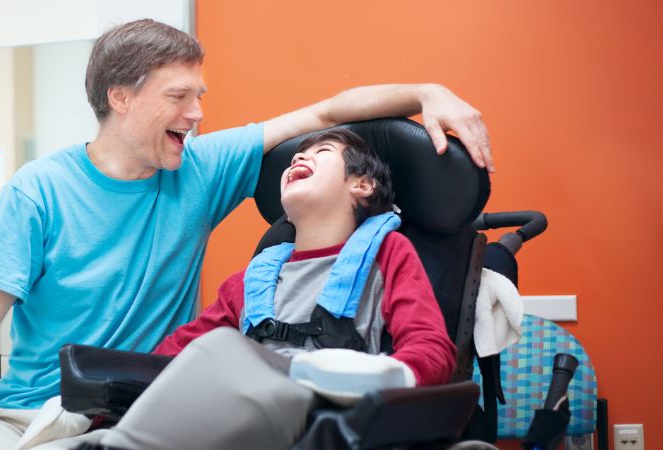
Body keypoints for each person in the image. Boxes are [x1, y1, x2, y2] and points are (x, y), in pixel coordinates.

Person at [0, 18, 491, 450]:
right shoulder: (38, 192)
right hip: (30, 411)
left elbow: (327, 112)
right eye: (179, 97)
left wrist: (426, 93)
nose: (197, 114)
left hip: (146, 405)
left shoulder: (200, 168)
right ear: (121, 98)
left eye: (199, 97)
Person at [45, 128, 456, 450]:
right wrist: (108, 394)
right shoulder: (252, 281)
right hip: (231, 411)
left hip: (317, 409)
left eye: (322, 153)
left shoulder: (387, 253)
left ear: (362, 185)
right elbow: (176, 353)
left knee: (221, 350)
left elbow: (432, 352)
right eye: (298, 155)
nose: (299, 157)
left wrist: (370, 378)